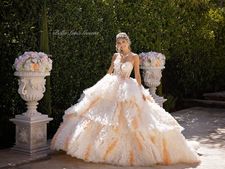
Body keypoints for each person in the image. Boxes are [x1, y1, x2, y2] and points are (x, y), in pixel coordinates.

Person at [51, 32, 200, 166]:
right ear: (117, 45)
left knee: (128, 117)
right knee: (100, 115)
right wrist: (100, 86)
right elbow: (110, 71)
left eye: (123, 42)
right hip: (111, 85)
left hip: (128, 87)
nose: (121, 45)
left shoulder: (134, 57)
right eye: (119, 43)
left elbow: (138, 75)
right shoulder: (115, 56)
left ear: (128, 42)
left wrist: (141, 91)